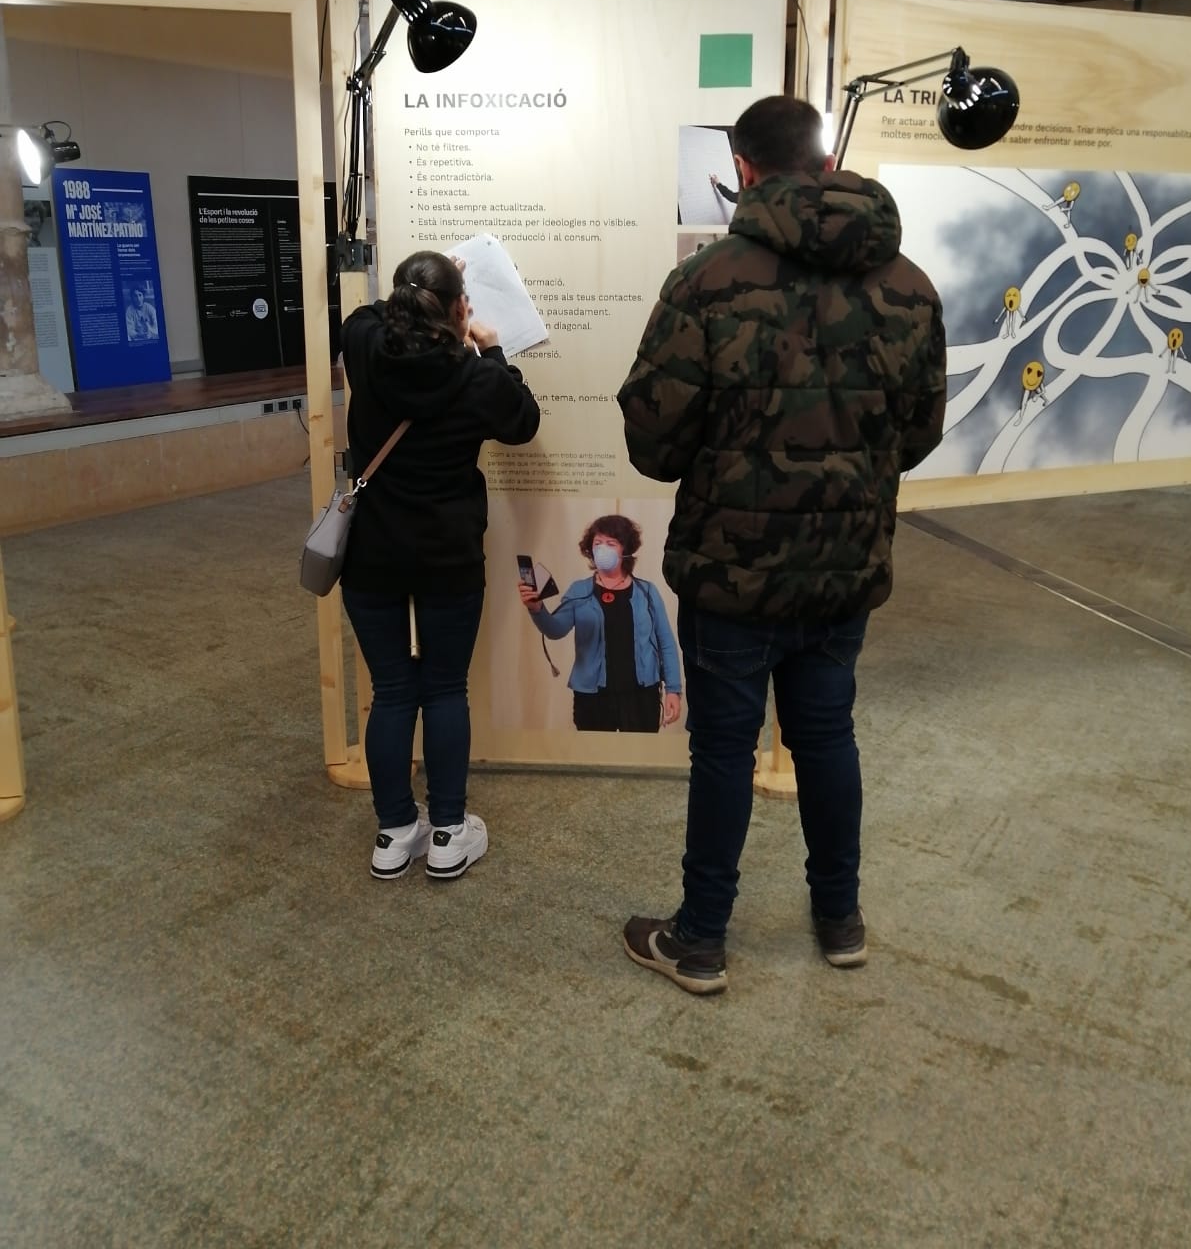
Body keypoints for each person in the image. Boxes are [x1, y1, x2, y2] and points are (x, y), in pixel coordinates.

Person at [617, 94, 946, 994]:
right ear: (826, 164)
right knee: (827, 736)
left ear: (744, 169)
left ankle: (701, 941)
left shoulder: (706, 282)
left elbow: (655, 443)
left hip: (732, 573)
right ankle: (840, 921)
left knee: (724, 752)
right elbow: (920, 433)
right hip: (845, 569)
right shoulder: (909, 284)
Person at [340, 250, 540, 882]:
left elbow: (366, 316)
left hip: (371, 557)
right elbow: (523, 420)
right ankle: (449, 832)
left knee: (393, 690)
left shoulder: (365, 348)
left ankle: (395, 832)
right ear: (460, 311)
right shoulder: (476, 377)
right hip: (448, 558)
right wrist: (490, 346)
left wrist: (420, 288)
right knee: (446, 688)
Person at [518, 514, 682, 732]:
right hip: (592, 699)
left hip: (641, 697)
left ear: (625, 549)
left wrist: (673, 689)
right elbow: (555, 630)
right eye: (598, 543)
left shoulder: (647, 592)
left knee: (637, 754)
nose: (602, 549)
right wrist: (536, 608)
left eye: (610, 543)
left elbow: (666, 643)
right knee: (594, 753)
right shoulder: (579, 591)